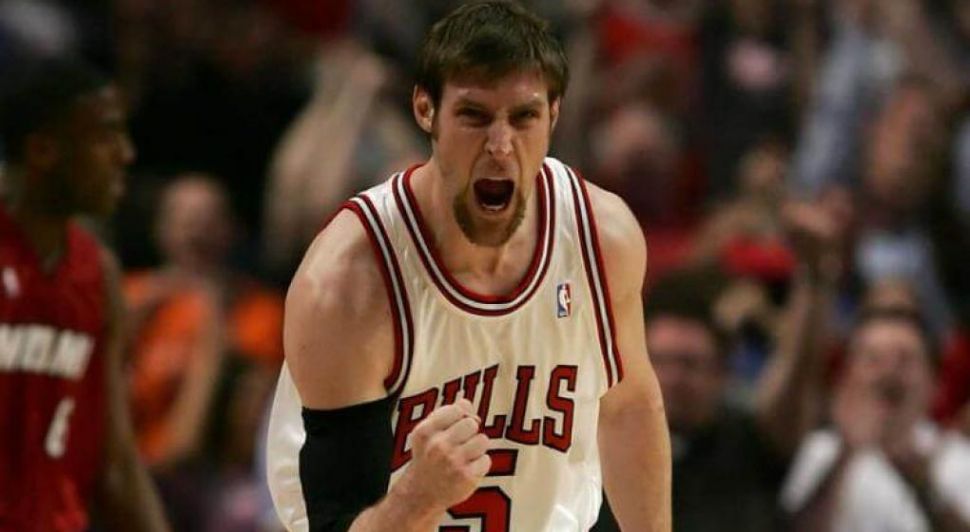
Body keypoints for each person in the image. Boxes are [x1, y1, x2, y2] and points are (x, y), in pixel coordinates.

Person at [266, 2, 671, 531]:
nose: (500, 146)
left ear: (554, 115)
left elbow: (627, 407)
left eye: (523, 117)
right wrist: (417, 497)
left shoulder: (600, 238)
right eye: (474, 116)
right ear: (425, 110)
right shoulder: (348, 283)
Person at [0, 58, 168, 531]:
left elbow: (116, 461)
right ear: (42, 149)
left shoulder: (98, 274)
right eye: (105, 135)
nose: (125, 154)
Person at [781, 308, 970, 532]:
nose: (888, 372)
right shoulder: (820, 451)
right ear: (848, 376)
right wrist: (845, 455)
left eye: (905, 359)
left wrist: (921, 483)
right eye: (873, 359)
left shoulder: (958, 459)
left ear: (933, 382)